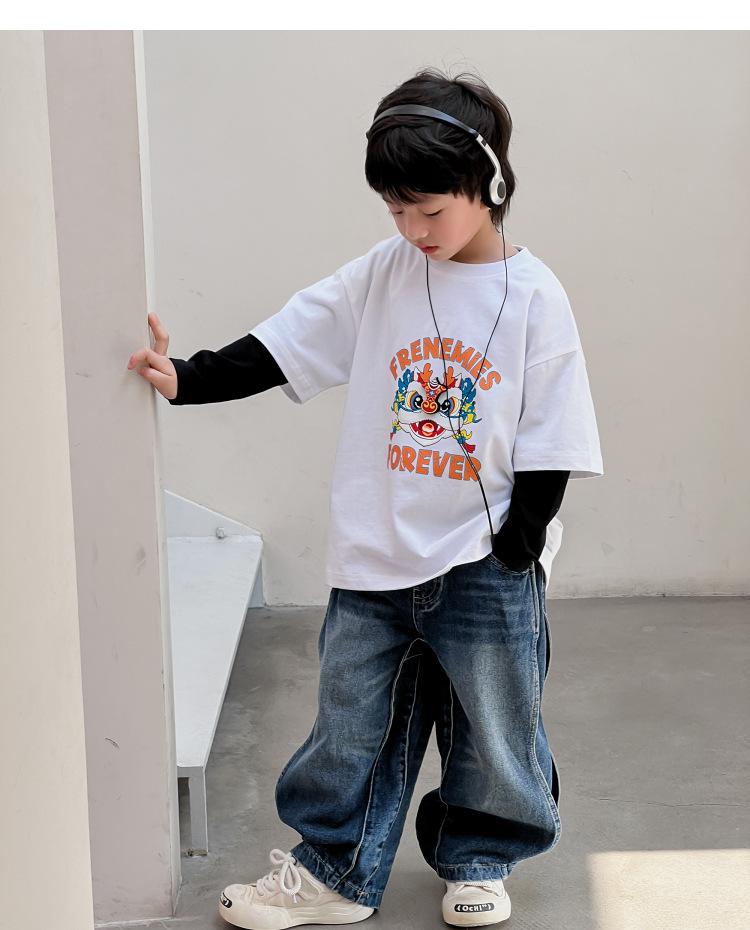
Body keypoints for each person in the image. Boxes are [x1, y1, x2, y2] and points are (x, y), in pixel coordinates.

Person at [127, 67, 603, 929]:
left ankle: (480, 857)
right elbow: (287, 341)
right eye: (395, 211)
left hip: (485, 559)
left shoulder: (537, 296)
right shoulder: (383, 274)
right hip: (376, 553)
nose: (413, 230)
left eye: (430, 211)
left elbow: (554, 429)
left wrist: (521, 541)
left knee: (494, 725)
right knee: (349, 723)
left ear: (490, 186)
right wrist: (188, 377)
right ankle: (335, 872)